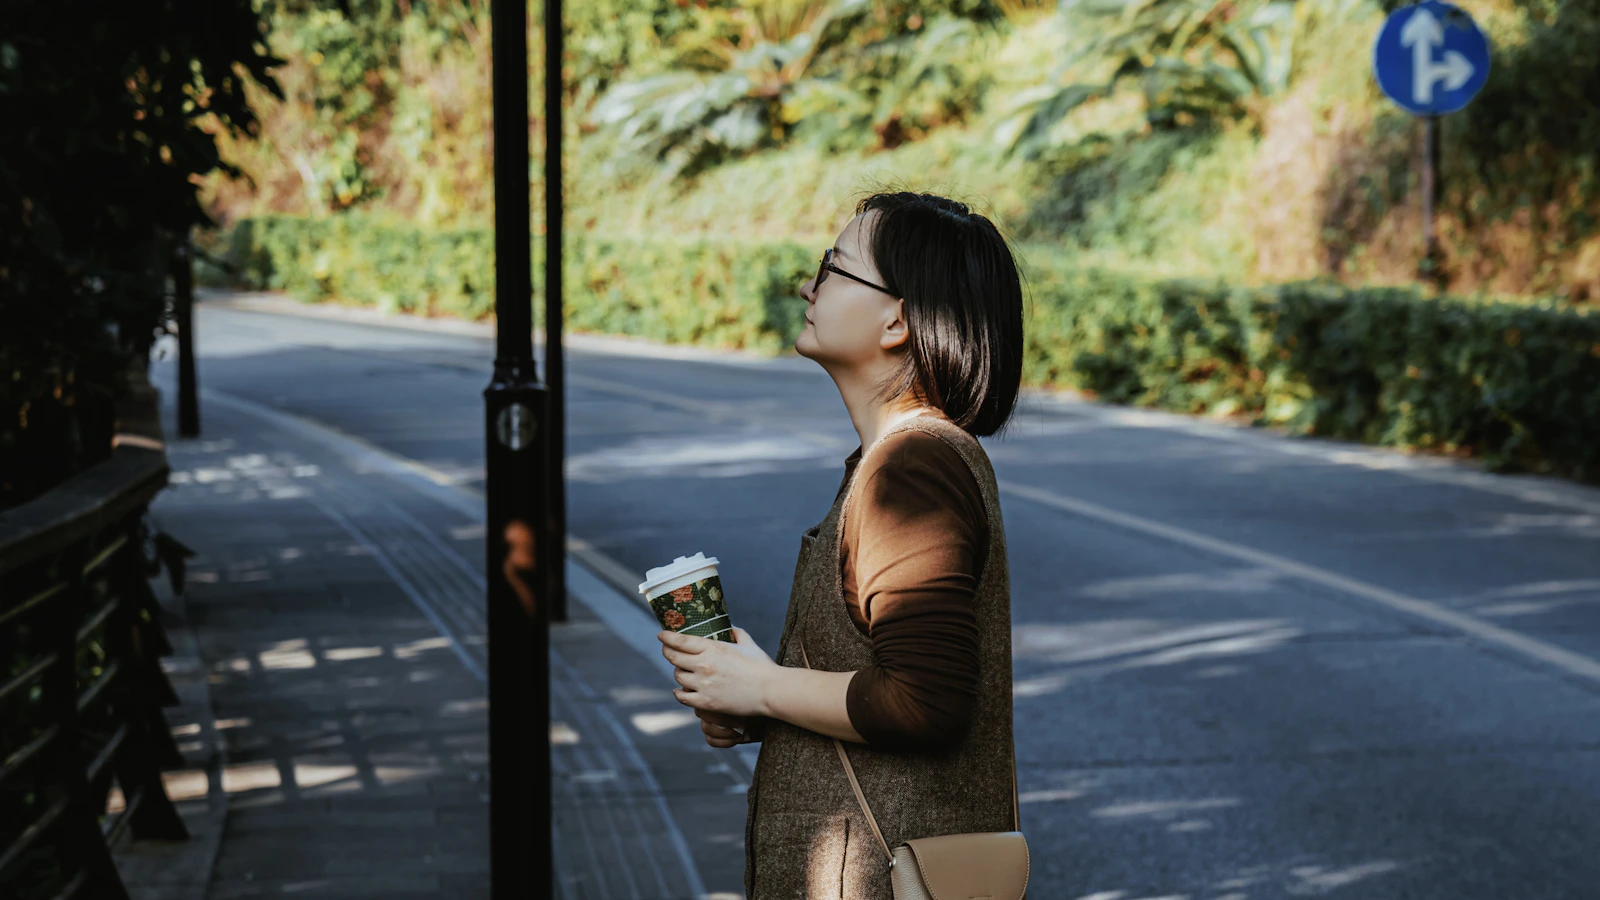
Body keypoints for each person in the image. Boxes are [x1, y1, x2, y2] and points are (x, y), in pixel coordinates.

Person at [657, 190, 1025, 899]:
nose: (808, 284)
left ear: (899, 320)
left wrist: (761, 685)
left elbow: (926, 701)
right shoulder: (894, 459)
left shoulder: (913, 468)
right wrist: (758, 699)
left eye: (834, 266)